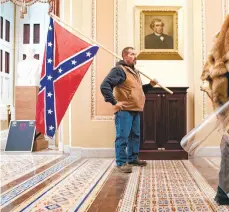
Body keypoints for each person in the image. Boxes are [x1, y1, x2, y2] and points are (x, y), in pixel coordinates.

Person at [100, 47, 158, 173]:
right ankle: (121, 162)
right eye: (131, 54)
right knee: (123, 137)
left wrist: (150, 85)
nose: (134, 56)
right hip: (124, 110)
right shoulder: (119, 70)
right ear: (124, 56)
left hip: (135, 109)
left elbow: (138, 91)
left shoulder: (134, 72)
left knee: (135, 136)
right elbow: (104, 86)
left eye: (135, 54)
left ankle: (132, 159)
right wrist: (114, 102)